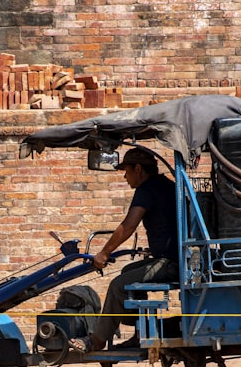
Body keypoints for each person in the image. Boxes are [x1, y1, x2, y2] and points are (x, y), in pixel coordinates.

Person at [72, 147, 180, 353]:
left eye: (127, 170)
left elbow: (129, 225)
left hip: (170, 262)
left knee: (118, 285)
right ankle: (140, 333)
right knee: (127, 274)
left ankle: (97, 340)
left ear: (138, 169)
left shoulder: (147, 189)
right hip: (171, 258)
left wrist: (104, 253)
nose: (125, 176)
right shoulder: (166, 185)